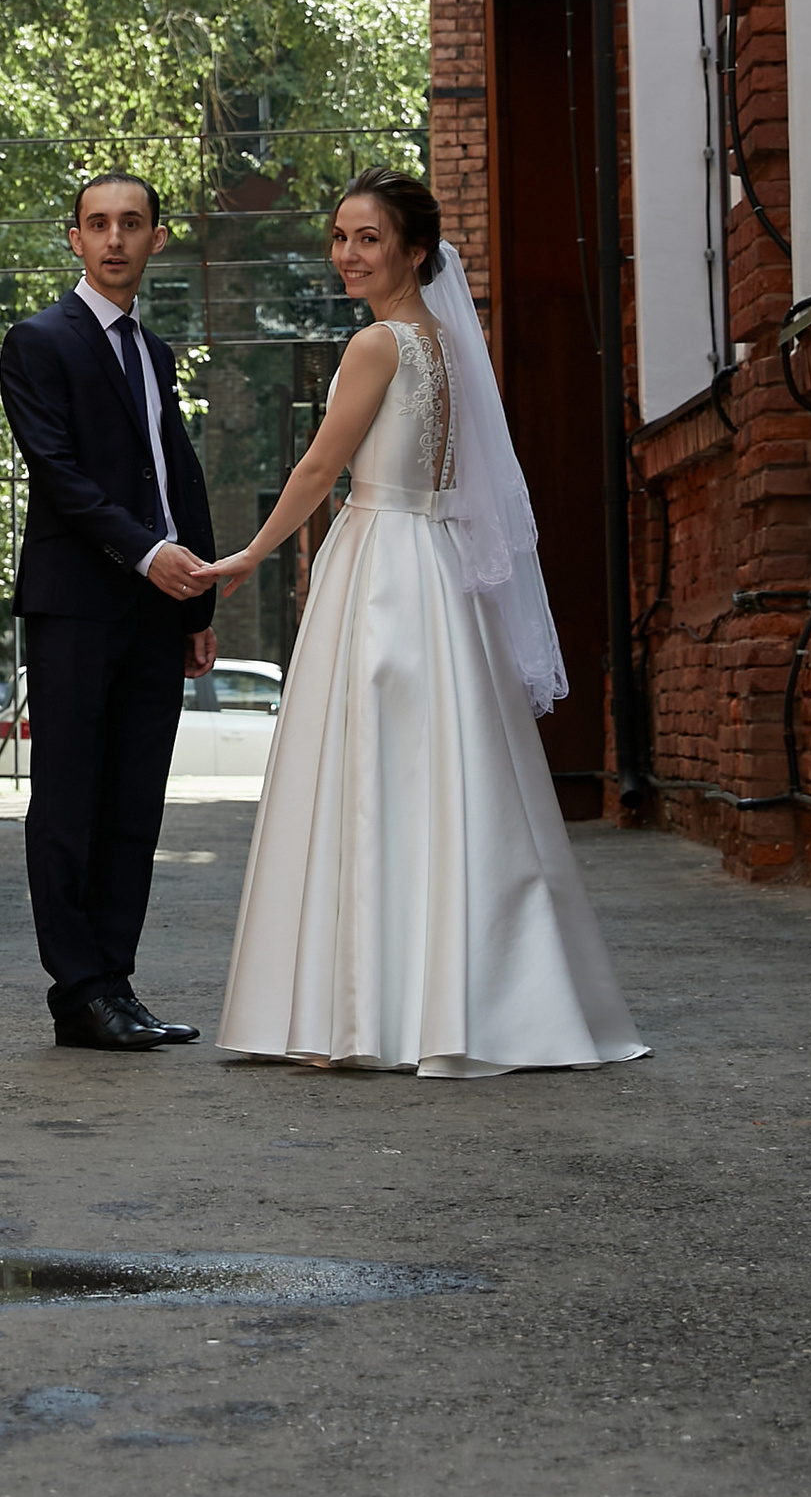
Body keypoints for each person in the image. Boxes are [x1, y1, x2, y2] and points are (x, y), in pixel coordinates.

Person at [158, 167, 644, 1079]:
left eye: (368, 238)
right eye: (340, 237)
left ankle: (365, 1009)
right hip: (432, 564)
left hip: (382, 560)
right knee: (443, 771)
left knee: (368, 769)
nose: (346, 254)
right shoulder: (447, 344)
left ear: (415, 250)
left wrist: (246, 557)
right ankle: (455, 996)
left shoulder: (379, 344)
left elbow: (315, 472)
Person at [0, 172, 220, 1053]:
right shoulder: (38, 341)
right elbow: (60, 476)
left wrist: (196, 597)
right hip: (78, 604)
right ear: (74, 239)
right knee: (69, 799)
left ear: (157, 239)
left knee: (135, 800)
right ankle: (77, 989)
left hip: (158, 607)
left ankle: (116, 984)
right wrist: (146, 552)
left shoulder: (155, 353)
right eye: (98, 224)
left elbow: (175, 475)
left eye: (132, 224)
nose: (115, 238)